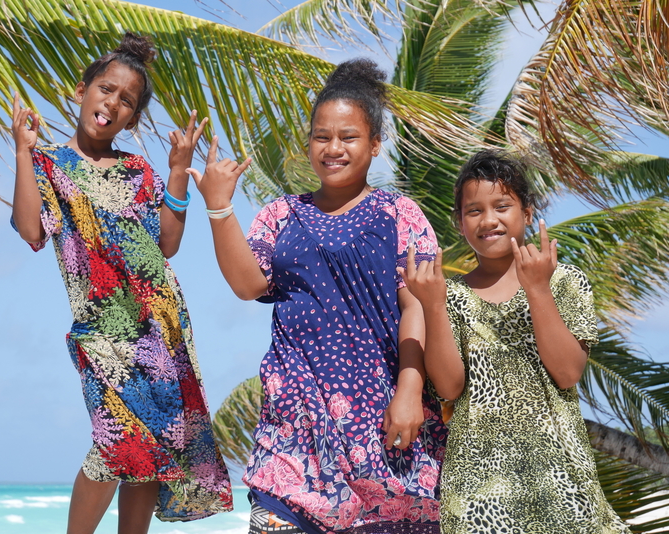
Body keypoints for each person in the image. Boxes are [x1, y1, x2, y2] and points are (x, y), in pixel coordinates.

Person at [187, 59, 447, 534]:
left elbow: (417, 304)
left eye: (348, 137)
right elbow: (249, 285)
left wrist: (410, 389)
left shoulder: (400, 213)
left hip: (385, 430)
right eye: (321, 136)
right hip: (291, 431)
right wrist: (220, 207)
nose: (333, 148)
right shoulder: (280, 215)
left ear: (374, 145)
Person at [10, 32, 232, 534]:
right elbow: (30, 230)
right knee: (118, 446)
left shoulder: (137, 170)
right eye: (106, 89)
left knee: (152, 452)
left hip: (161, 329)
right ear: (81, 90)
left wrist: (177, 172)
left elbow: (167, 244)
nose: (113, 102)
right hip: (102, 333)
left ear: (132, 116)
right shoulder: (48, 164)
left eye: (126, 100)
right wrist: (23, 152)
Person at [401, 150, 630, 533]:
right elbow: (449, 387)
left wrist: (537, 288)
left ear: (526, 212)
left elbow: (568, 372)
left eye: (502, 206)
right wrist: (434, 306)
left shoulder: (565, 282)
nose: (488, 220)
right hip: (478, 493)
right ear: (459, 223)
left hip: (562, 484)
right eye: (474, 211)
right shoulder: (449, 296)